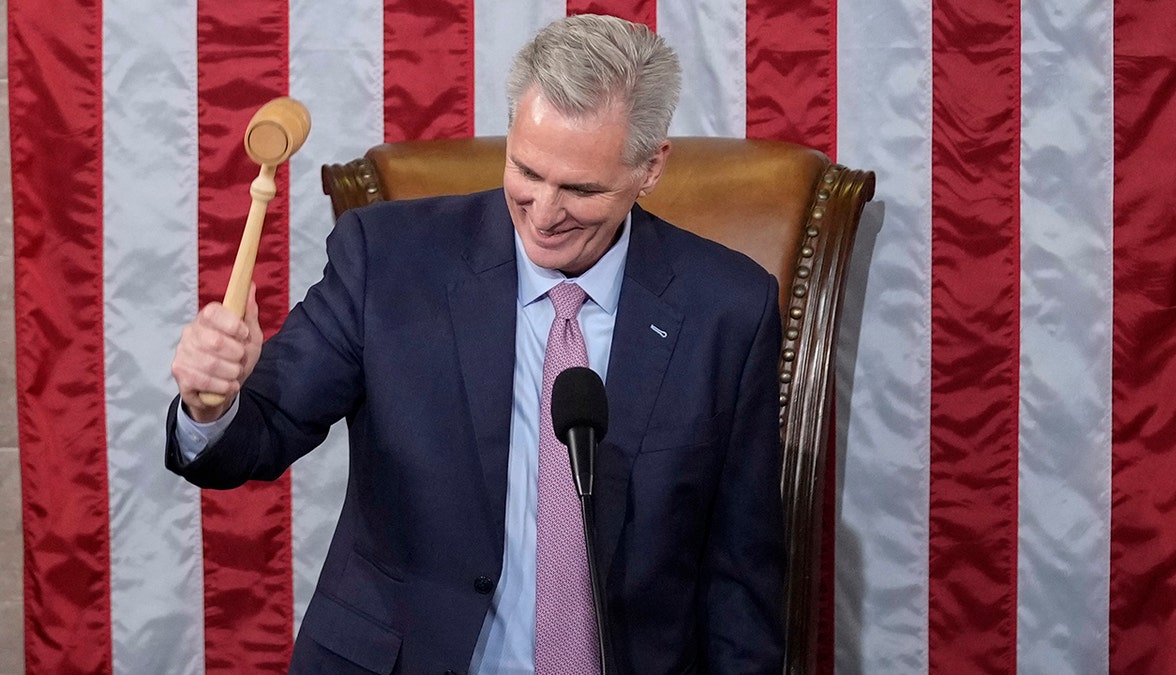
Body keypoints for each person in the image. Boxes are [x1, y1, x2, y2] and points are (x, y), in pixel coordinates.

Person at [167, 13, 784, 674]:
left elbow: (738, 578)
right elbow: (259, 433)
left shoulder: (727, 310)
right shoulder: (391, 259)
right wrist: (211, 405)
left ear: (651, 166)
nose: (545, 212)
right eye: (527, 170)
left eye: (581, 188)